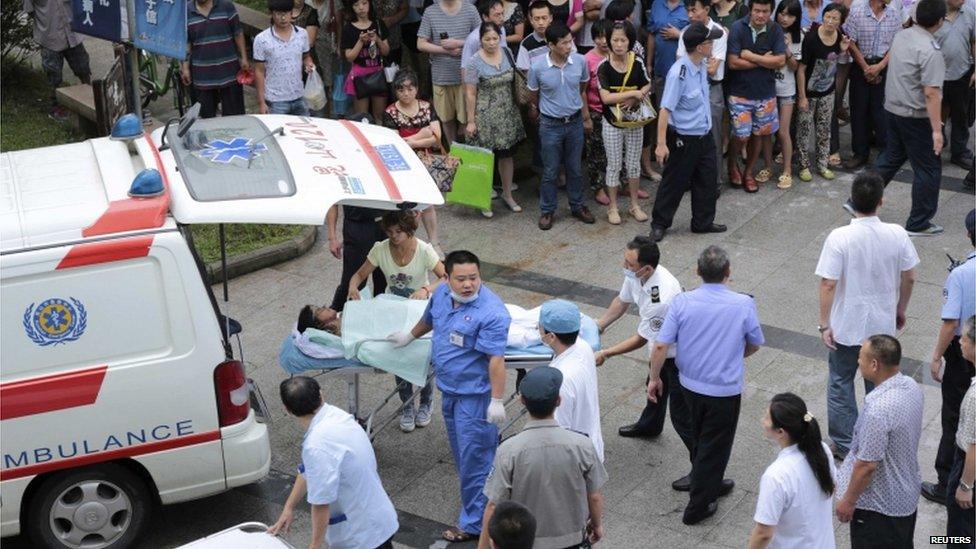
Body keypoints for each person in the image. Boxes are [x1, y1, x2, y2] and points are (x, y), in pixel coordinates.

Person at [388, 250, 511, 543]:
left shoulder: (492, 313)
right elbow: (430, 319)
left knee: (474, 460)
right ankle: (486, 500)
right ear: (447, 277)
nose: (469, 284)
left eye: (474, 278)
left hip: (475, 398)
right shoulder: (442, 294)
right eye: (461, 279)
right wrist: (410, 336)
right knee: (464, 455)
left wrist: (496, 399)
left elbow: (496, 360)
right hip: (451, 391)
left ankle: (474, 524)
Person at [648, 245, 765, 524]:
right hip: (724, 389)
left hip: (689, 384)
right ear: (729, 272)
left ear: (698, 271)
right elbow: (755, 343)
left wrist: (654, 378)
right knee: (715, 444)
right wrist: (734, 355)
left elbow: (662, 344)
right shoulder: (743, 304)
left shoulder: (682, 302)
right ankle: (698, 506)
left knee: (700, 438)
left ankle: (706, 479)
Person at [815, 171, 919, 460]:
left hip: (847, 325)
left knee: (840, 380)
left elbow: (828, 283)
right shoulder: (897, 234)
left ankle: (846, 441)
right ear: (881, 202)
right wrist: (900, 309)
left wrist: (824, 323)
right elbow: (909, 276)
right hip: (881, 324)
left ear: (852, 201)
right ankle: (878, 435)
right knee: (879, 382)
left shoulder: (840, 237)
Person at [594, 237, 695, 476]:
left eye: (629, 263)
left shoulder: (661, 297)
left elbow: (644, 339)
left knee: (681, 416)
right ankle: (650, 425)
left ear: (646, 268)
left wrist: (606, 353)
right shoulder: (638, 275)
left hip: (679, 356)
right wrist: (600, 325)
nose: (624, 266)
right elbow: (622, 301)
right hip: (661, 348)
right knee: (656, 389)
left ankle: (705, 469)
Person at [478, 367, 608, 549]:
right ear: (559, 401)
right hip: (573, 541)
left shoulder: (508, 450)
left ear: (522, 401)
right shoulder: (583, 444)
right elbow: (594, 496)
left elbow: (493, 505)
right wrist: (597, 525)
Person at [270, 376, 399, 549]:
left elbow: (321, 503)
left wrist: (314, 546)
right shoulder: (337, 416)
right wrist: (289, 507)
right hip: (378, 518)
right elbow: (309, 470)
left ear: (287, 410)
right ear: (321, 395)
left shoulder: (317, 445)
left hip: (362, 536)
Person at [346, 211, 444, 432]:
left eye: (398, 232)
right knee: (398, 355)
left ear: (409, 230)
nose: (394, 236)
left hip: (420, 310)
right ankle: (407, 404)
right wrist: (353, 287)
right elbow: (359, 275)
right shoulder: (380, 249)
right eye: (390, 232)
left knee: (422, 357)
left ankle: (426, 402)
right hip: (394, 309)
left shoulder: (424, 250)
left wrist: (425, 289)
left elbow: (446, 277)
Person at [835, 335, 924, 549]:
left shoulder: (878, 410)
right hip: (906, 495)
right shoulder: (911, 386)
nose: (858, 362)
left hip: (879, 508)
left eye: (860, 358)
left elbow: (867, 465)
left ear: (874, 364)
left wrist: (848, 500)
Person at [869, 0, 946, 236]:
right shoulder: (930, 50)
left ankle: (860, 200)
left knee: (891, 156)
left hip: (893, 109)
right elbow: (931, 93)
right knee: (928, 168)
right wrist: (936, 130)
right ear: (940, 21)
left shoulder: (902, 36)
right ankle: (919, 222)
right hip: (915, 116)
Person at [650, 22, 727, 242]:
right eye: (709, 41)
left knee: (707, 179)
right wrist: (661, 143)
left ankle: (702, 222)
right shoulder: (679, 73)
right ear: (700, 47)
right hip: (684, 138)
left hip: (704, 135)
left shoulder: (701, 65)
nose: (713, 44)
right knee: (674, 182)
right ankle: (660, 223)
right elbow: (665, 109)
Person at [922, 210, 976, 505]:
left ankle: (948, 482)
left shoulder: (961, 274)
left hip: (963, 353)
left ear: (969, 235)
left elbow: (949, 323)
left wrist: (936, 356)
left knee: (955, 417)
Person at [527, 22, 596, 231]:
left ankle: (577, 205)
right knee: (550, 170)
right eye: (564, 43)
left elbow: (582, 87)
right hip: (550, 125)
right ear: (551, 45)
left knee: (575, 168)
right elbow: (533, 94)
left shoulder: (580, 61)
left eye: (570, 41)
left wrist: (584, 116)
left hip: (574, 122)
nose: (569, 46)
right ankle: (547, 210)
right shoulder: (537, 67)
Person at [748, 393, 837, 549]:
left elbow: (764, 533)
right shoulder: (822, 450)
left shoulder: (776, 476)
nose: (762, 421)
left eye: (767, 418)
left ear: (781, 432)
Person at [326, 114, 388, 312]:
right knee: (353, 280)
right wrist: (332, 237)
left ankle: (380, 316)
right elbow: (333, 201)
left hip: (386, 225)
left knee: (384, 280)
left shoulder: (383, 155)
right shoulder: (341, 162)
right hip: (358, 227)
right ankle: (335, 314)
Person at [464, 22, 526, 216]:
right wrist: (471, 120)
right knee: (485, 158)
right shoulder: (474, 61)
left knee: (507, 156)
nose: (491, 43)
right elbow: (470, 93)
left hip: (508, 114)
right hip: (485, 116)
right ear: (480, 40)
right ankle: (483, 200)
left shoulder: (507, 53)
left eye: (495, 38)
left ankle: (507, 194)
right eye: (487, 39)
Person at [725, 0, 786, 193]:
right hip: (740, 93)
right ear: (750, 10)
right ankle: (732, 164)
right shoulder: (737, 27)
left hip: (765, 93)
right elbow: (733, 62)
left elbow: (780, 60)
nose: (761, 15)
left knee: (759, 135)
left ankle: (749, 173)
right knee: (742, 136)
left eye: (765, 11)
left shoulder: (775, 29)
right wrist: (765, 60)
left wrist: (752, 57)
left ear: (771, 11)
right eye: (757, 11)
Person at [382, 70, 445, 258]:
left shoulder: (426, 106)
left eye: (410, 88)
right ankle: (406, 244)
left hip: (425, 161)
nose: (406, 93)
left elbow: (437, 138)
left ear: (416, 89)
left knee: (427, 204)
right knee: (405, 206)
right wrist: (422, 135)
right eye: (401, 89)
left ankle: (434, 243)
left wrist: (411, 141)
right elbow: (395, 144)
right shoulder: (390, 112)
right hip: (402, 164)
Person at [597, 20, 652, 224]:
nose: (618, 44)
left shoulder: (636, 62)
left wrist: (636, 96)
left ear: (630, 41)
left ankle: (634, 205)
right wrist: (633, 93)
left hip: (635, 121)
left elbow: (647, 84)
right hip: (612, 122)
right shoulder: (603, 66)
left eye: (623, 40)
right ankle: (613, 207)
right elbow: (605, 98)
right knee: (613, 165)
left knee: (633, 164)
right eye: (615, 40)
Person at [538, 299, 605, 461]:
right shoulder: (583, 346)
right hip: (589, 448)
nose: (538, 330)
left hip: (573, 461)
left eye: (539, 327)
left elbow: (560, 432)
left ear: (551, 336)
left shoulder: (560, 380)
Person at [676, 0, 728, 187]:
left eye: (694, 10)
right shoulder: (685, 33)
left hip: (711, 88)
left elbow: (713, 69)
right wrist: (704, 61)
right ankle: (691, 179)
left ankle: (714, 182)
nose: (690, 15)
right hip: (689, 91)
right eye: (688, 10)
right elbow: (680, 63)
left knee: (713, 136)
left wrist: (697, 62)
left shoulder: (718, 33)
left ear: (706, 10)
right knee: (689, 137)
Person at [843, 0, 900, 170]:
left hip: (883, 66)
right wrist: (866, 68)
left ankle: (885, 152)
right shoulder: (857, 11)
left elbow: (896, 44)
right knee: (858, 111)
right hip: (861, 66)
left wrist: (879, 67)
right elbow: (851, 41)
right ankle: (860, 153)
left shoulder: (893, 14)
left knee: (881, 112)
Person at [795, 2, 849, 182]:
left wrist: (842, 50)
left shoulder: (840, 36)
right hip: (809, 93)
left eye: (835, 18)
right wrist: (802, 96)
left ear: (841, 22)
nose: (830, 21)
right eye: (827, 16)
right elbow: (801, 69)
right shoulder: (811, 39)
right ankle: (803, 165)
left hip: (828, 91)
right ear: (822, 16)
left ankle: (822, 164)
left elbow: (834, 62)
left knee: (825, 130)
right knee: (804, 129)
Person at [418, 0, 482, 143]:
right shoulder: (430, 12)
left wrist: (459, 43)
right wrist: (445, 50)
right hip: (441, 75)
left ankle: (470, 152)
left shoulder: (470, 10)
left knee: (467, 118)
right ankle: (453, 150)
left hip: (467, 76)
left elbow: (483, 37)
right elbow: (420, 43)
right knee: (446, 118)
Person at [25, 0, 92, 122]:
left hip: (73, 33)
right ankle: (55, 107)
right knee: (53, 75)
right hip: (50, 37)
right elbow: (30, 11)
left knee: (83, 67)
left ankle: (92, 99)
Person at [183, 0, 249, 119]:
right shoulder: (186, 12)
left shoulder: (226, 6)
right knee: (206, 119)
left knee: (235, 117)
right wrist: (185, 67)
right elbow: (186, 43)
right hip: (202, 75)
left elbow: (238, 33)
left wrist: (244, 58)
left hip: (229, 72)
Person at [254, 0, 316, 115]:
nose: (283, 18)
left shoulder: (302, 34)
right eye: (279, 14)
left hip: (299, 95)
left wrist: (309, 64)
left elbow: (306, 57)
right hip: (275, 100)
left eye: (286, 13)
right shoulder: (262, 39)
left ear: (292, 13)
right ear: (271, 14)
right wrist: (261, 103)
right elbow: (259, 71)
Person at [934, 0, 975, 170]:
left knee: (961, 114)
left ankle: (959, 152)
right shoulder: (933, 12)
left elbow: (974, 42)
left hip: (961, 73)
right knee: (933, 114)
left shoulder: (970, 13)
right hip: (935, 75)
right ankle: (933, 149)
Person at [947, 316, 976, 547]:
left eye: (964, 337)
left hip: (967, 467)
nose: (959, 341)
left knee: (960, 534)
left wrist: (966, 486)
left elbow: (974, 446)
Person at [341, 0, 391, 121]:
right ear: (352, 8)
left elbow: (386, 51)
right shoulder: (348, 28)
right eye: (356, 4)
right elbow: (349, 57)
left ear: (369, 4)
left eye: (364, 3)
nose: (361, 8)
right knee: (362, 117)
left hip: (378, 72)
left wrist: (377, 39)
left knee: (379, 115)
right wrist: (360, 41)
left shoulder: (378, 24)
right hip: (360, 74)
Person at [771, 0, 801, 188]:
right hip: (766, 88)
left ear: (796, 18)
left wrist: (786, 50)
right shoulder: (770, 31)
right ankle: (766, 165)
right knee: (766, 131)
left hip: (787, 90)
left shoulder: (799, 36)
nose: (784, 18)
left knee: (783, 131)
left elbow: (796, 66)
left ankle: (787, 169)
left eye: (790, 15)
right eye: (782, 13)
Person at [584, 21, 612, 206]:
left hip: (615, 111)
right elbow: (582, 90)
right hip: (595, 111)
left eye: (606, 36)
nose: (603, 41)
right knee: (595, 152)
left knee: (618, 151)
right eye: (598, 37)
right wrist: (586, 117)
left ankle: (622, 184)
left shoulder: (617, 55)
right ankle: (598, 188)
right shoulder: (587, 59)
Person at [374, 0, 407, 66]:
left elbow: (405, 8)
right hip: (370, 44)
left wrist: (393, 19)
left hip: (393, 40)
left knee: (393, 72)